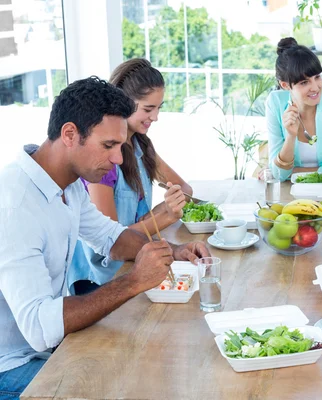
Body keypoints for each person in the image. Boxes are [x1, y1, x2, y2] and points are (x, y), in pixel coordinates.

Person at [0, 76, 211, 397]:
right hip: (12, 363)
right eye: (109, 146)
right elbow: (41, 329)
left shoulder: (67, 183)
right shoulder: (14, 206)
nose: (118, 160)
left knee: (154, 359)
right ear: (69, 134)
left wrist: (175, 250)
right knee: (122, 384)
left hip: (44, 348)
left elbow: (110, 238)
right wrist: (134, 282)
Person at [68, 59, 192, 295]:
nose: (155, 117)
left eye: (159, 108)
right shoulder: (103, 161)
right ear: (124, 103)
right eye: (147, 109)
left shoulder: (141, 145)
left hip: (131, 264)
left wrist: (162, 211)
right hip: (99, 281)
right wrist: (163, 216)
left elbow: (183, 188)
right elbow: (110, 240)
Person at [266, 37, 322, 181]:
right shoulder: (275, 103)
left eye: (317, 77)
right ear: (285, 85)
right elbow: (279, 174)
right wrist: (290, 136)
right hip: (290, 194)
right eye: (304, 82)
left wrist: (294, 173)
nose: (315, 87)